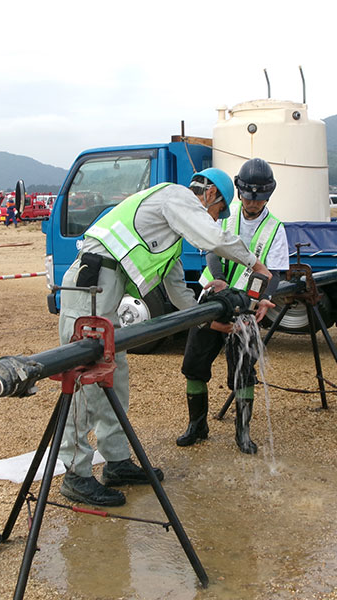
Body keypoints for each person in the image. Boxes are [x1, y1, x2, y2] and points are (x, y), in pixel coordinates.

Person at [57, 167, 272, 507]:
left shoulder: (168, 237)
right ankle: (76, 474)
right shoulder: (175, 195)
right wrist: (255, 264)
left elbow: (181, 299)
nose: (215, 220)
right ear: (211, 196)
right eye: (217, 213)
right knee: (83, 379)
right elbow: (212, 239)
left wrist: (217, 314)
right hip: (91, 284)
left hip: (108, 293)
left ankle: (116, 462)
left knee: (115, 378)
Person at [177, 158, 288, 454]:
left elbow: (274, 272)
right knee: (195, 365)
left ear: (268, 195)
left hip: (247, 307)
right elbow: (213, 249)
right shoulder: (225, 212)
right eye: (249, 197)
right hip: (213, 297)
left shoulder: (275, 228)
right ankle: (197, 426)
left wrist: (264, 295)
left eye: (260, 198)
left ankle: (243, 432)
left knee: (243, 371)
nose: (253, 203)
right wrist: (220, 279)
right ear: (239, 192)